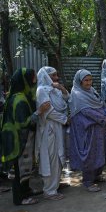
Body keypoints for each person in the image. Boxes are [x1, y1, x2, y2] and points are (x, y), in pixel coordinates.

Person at [1, 68, 50, 205]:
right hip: (18, 142)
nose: (35, 80)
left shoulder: (20, 95)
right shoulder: (19, 99)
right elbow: (24, 122)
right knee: (19, 171)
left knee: (24, 169)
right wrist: (40, 111)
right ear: (25, 80)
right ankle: (20, 198)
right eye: (33, 78)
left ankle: (26, 190)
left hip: (20, 140)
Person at [69, 69, 106, 192]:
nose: (89, 83)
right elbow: (87, 112)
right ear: (79, 81)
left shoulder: (92, 91)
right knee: (89, 154)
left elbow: (102, 104)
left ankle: (97, 176)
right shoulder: (77, 94)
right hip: (87, 131)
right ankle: (88, 181)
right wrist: (105, 119)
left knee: (100, 152)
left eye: (90, 80)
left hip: (99, 129)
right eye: (86, 80)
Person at [35, 67, 69, 201]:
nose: (56, 77)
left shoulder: (54, 90)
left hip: (58, 127)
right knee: (50, 159)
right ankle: (49, 191)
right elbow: (48, 112)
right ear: (46, 77)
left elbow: (67, 100)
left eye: (56, 75)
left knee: (59, 156)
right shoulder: (41, 91)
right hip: (49, 130)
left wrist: (62, 88)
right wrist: (65, 119)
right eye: (53, 75)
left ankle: (55, 184)